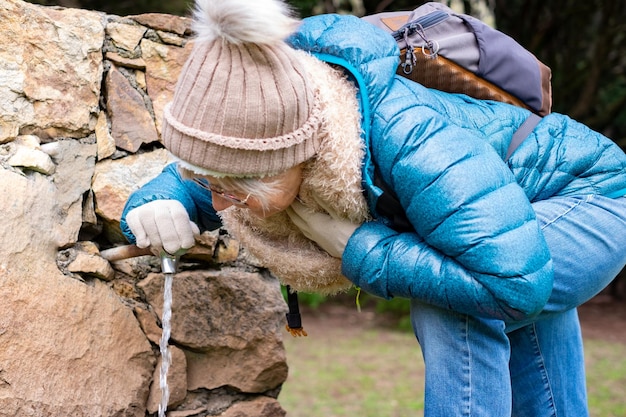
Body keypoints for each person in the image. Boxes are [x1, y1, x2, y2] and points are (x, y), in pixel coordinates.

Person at [120, 0, 626, 415]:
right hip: (503, 227)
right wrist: (155, 203)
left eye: (234, 189)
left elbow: (512, 284)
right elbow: (205, 174)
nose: (220, 204)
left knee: (455, 298)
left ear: (291, 154)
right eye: (206, 181)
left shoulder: (409, 137)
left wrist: (360, 247)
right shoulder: (270, 136)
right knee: (491, 293)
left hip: (591, 196)